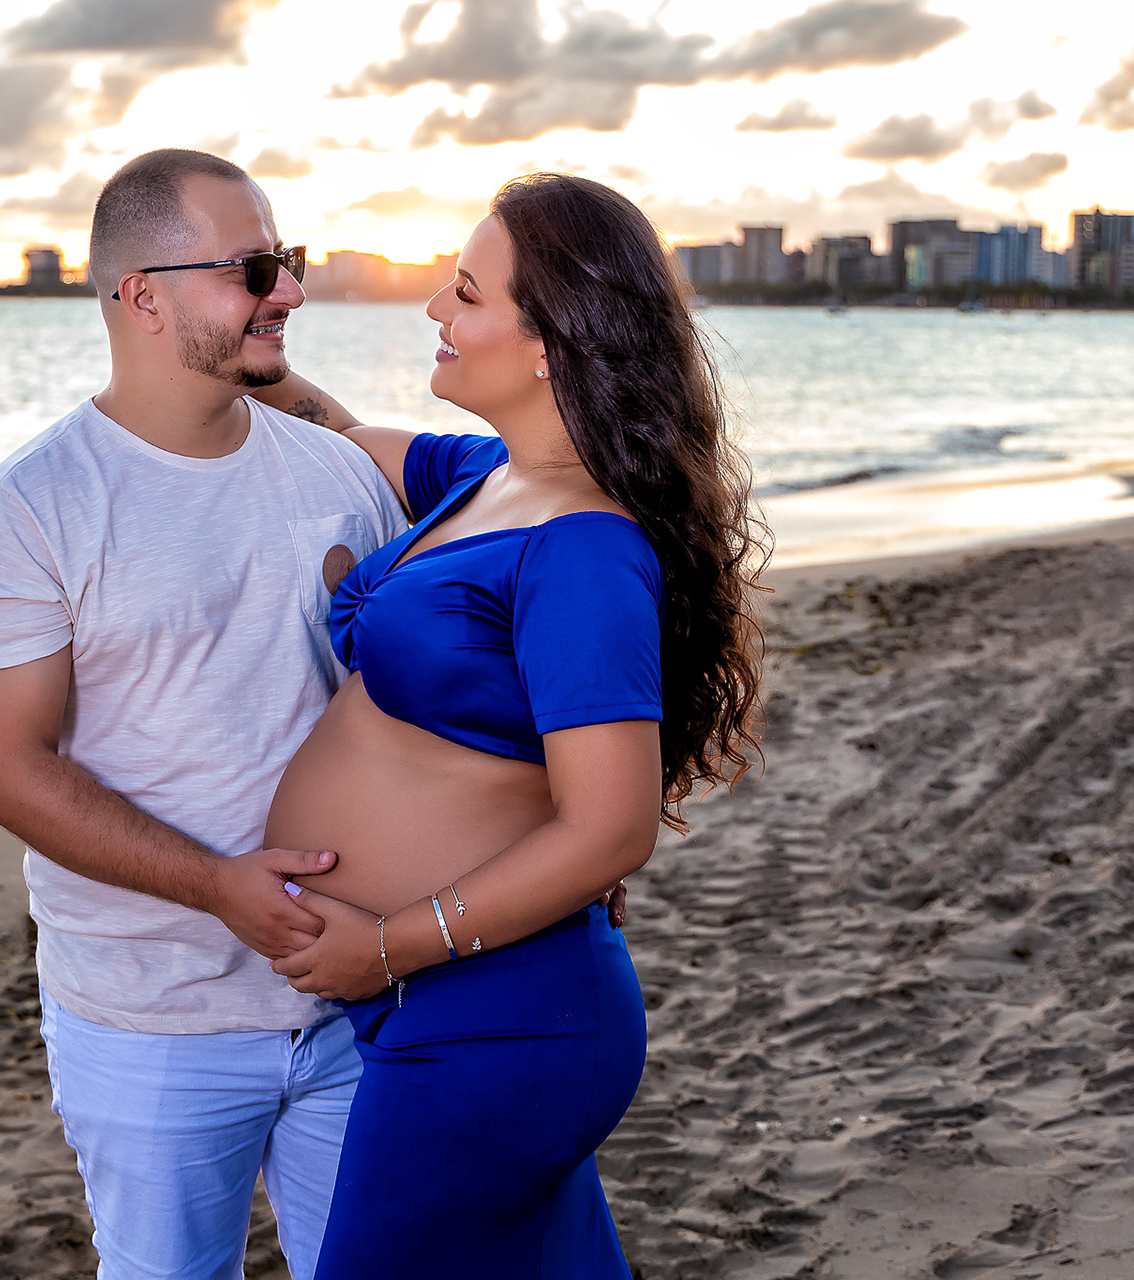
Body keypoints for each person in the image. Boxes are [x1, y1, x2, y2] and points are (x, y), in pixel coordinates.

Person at [250, 173, 766, 1278]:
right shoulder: (486, 480)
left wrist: (385, 946)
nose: (435, 307)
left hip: (495, 1021)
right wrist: (241, 334)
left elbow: (611, 829)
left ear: (549, 344)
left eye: (468, 292)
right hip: (456, 1010)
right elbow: (332, 428)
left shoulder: (583, 549)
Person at [0, 149, 407, 1280]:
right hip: (150, 1021)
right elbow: (7, 769)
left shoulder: (340, 476)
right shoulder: (29, 510)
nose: (291, 292)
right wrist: (216, 885)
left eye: (287, 260)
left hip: (357, 996)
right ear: (142, 296)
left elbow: (411, 702)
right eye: (254, 269)